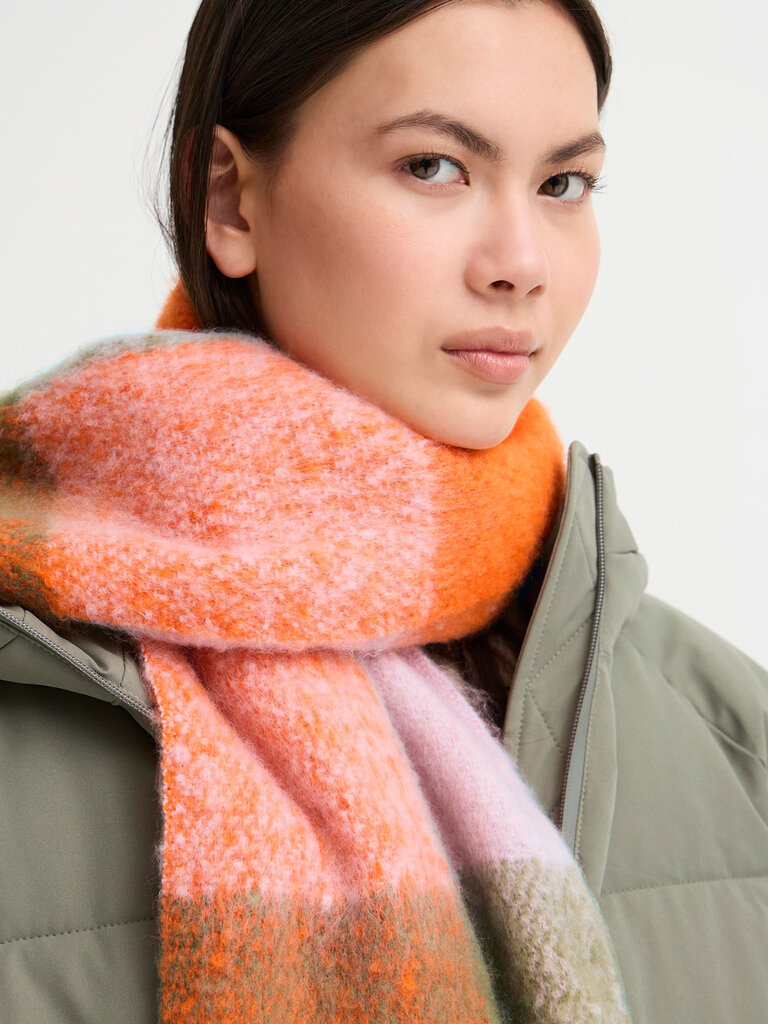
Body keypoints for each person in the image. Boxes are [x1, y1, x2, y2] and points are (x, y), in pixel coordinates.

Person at [0, 0, 765, 1022]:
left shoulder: (735, 739)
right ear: (229, 199)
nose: (521, 262)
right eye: (433, 167)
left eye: (562, 184)